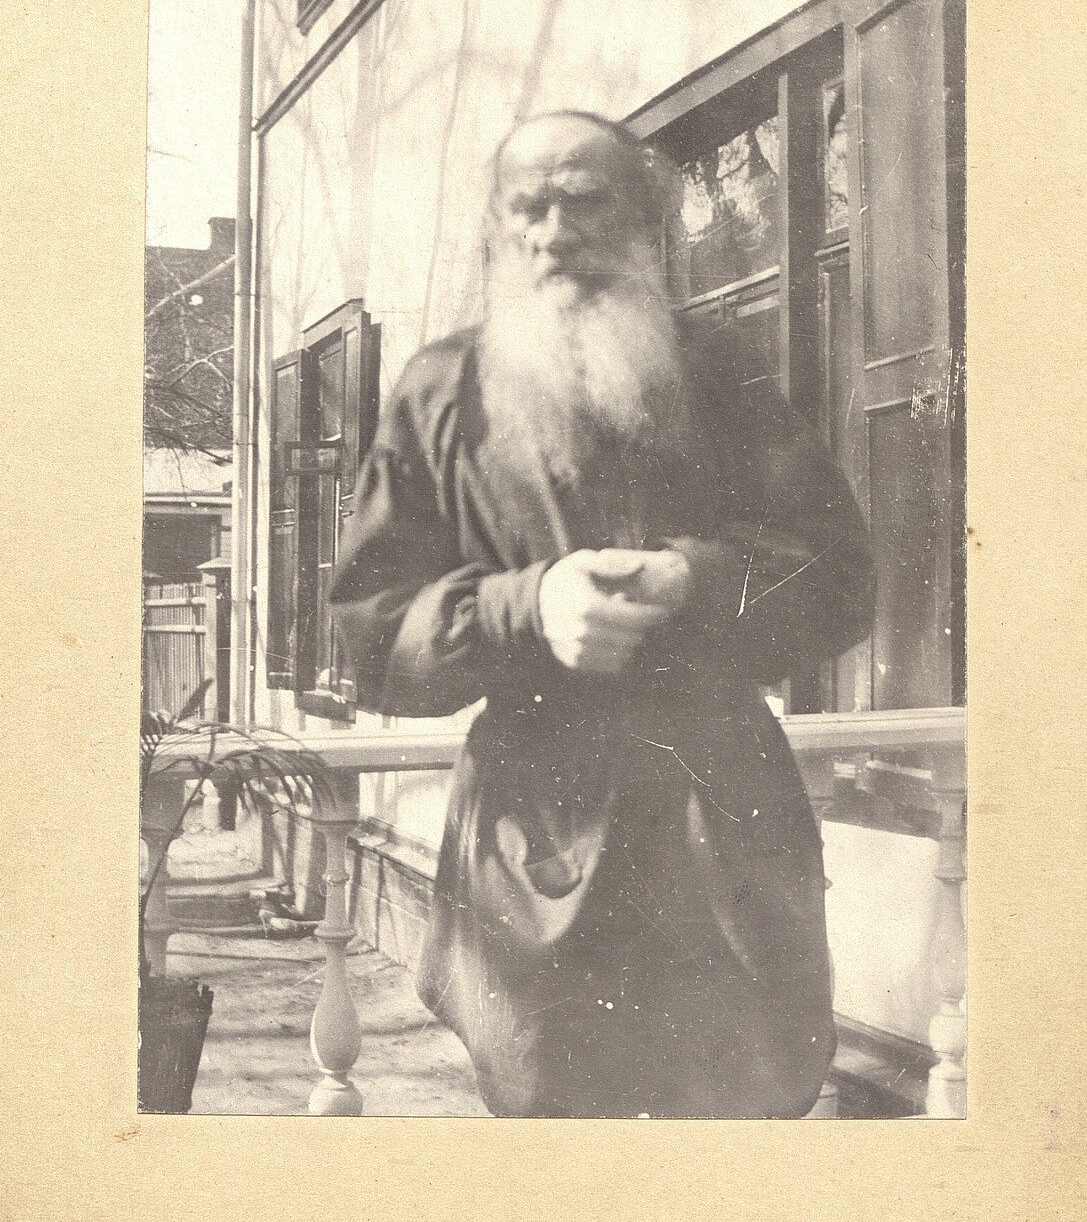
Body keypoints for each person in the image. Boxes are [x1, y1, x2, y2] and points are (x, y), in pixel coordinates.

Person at [329, 111, 875, 1117]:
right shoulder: (439, 392)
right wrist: (525, 605)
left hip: (723, 832)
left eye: (583, 202)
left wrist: (695, 579)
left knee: (733, 1149)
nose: (553, 233)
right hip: (533, 838)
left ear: (641, 220)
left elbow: (843, 581)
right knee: (560, 1154)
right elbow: (368, 635)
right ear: (495, 228)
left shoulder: (721, 372)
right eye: (526, 208)